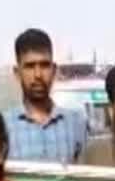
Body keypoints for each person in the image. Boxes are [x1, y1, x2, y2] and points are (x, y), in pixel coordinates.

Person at [5, 29, 87, 163]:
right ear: (17, 73)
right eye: (30, 66)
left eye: (44, 65)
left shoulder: (76, 124)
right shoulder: (4, 128)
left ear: (54, 70)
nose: (38, 75)